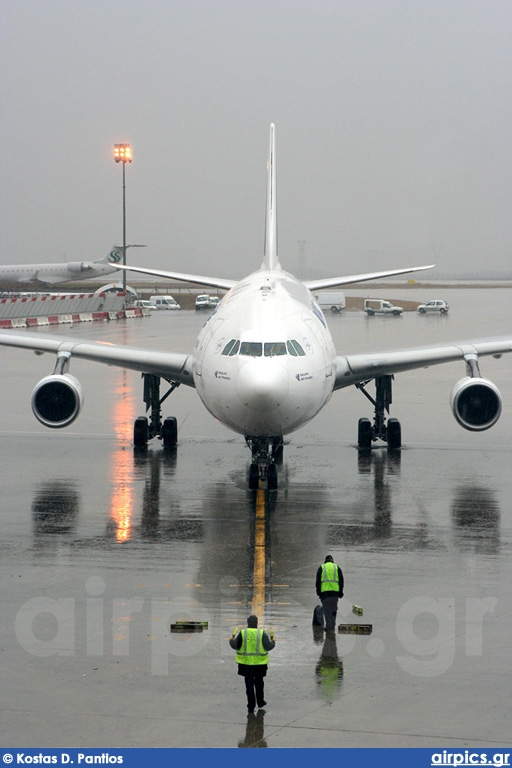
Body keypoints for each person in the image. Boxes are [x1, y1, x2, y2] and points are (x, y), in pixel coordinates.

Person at [229, 615, 275, 713]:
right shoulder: (261, 633)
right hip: (259, 664)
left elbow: (235, 645)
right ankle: (260, 701)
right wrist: (273, 642)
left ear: (248, 623)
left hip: (246, 664)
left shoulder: (243, 633)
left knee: (249, 685)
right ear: (257, 623)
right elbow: (268, 646)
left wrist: (231, 640)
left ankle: (251, 705)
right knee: (259, 683)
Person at [316, 555, 344, 632]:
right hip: (335, 594)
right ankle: (333, 625)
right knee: (333, 609)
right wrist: (340, 592)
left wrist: (318, 592)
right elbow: (341, 581)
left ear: (325, 561)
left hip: (324, 593)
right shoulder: (337, 568)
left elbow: (318, 582)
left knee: (327, 610)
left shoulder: (321, 568)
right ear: (332, 560)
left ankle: (328, 626)